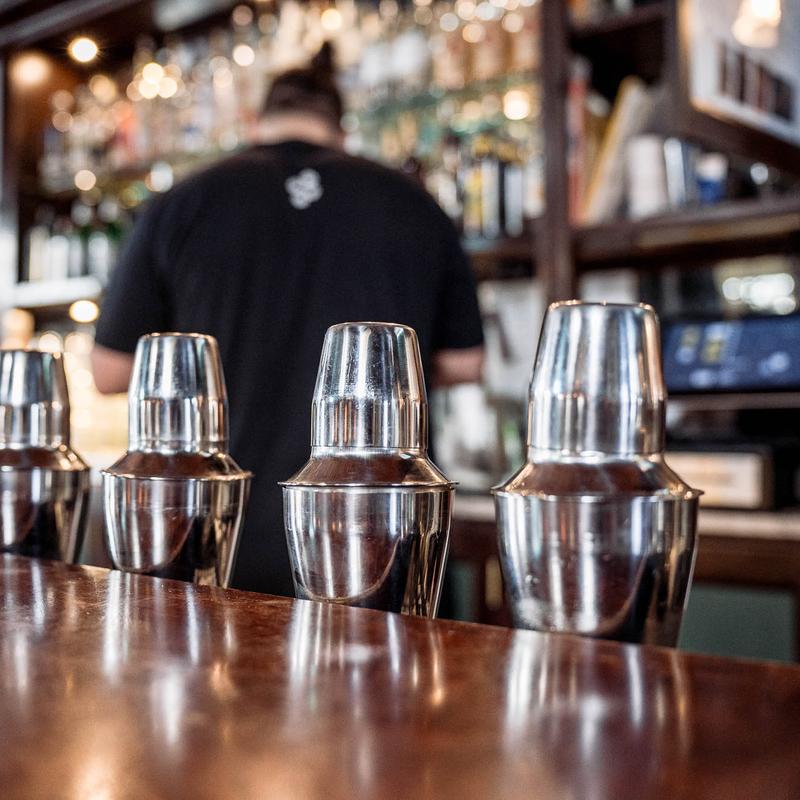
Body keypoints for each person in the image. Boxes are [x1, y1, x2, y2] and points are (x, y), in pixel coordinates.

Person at [91, 43, 484, 597]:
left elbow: (109, 371)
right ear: (342, 131)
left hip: (218, 528)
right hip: (375, 535)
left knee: (215, 652)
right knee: (384, 655)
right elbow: (465, 363)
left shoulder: (181, 202)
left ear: (255, 122)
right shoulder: (413, 203)